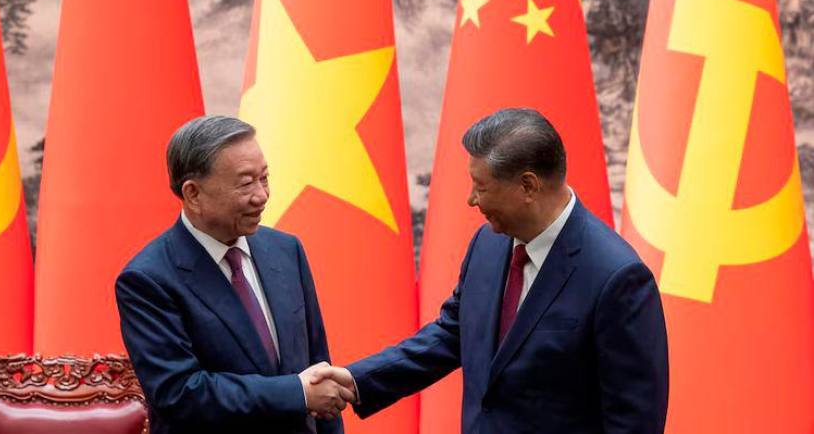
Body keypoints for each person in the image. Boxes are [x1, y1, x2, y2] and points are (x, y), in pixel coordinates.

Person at [313, 108, 669, 433]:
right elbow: (452, 334)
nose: (471, 200)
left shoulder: (617, 278)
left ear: (527, 186)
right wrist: (356, 381)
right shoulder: (489, 243)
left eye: (481, 187)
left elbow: (633, 423)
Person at [115, 115, 351, 434]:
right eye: (245, 183)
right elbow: (181, 394)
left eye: (264, 178)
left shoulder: (286, 250)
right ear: (193, 194)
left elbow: (320, 372)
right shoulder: (148, 279)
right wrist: (297, 393)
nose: (262, 196)